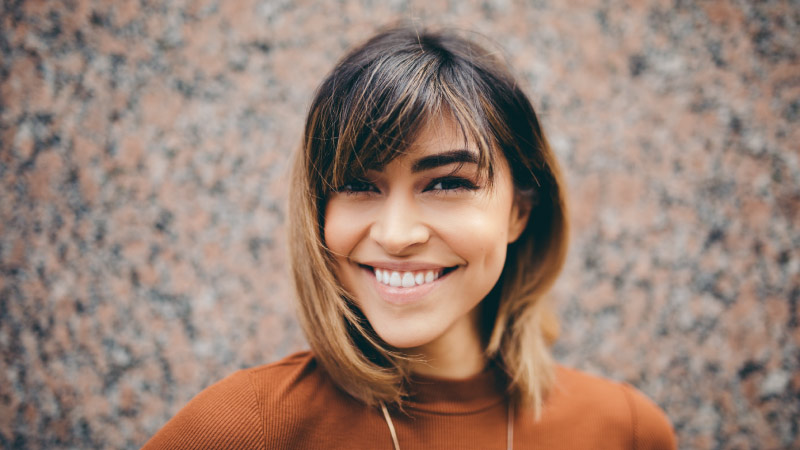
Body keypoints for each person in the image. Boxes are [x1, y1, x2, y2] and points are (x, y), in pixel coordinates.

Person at [143, 26, 676, 449]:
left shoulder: (626, 432)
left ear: (518, 212)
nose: (397, 235)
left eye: (447, 183)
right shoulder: (246, 429)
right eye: (357, 183)